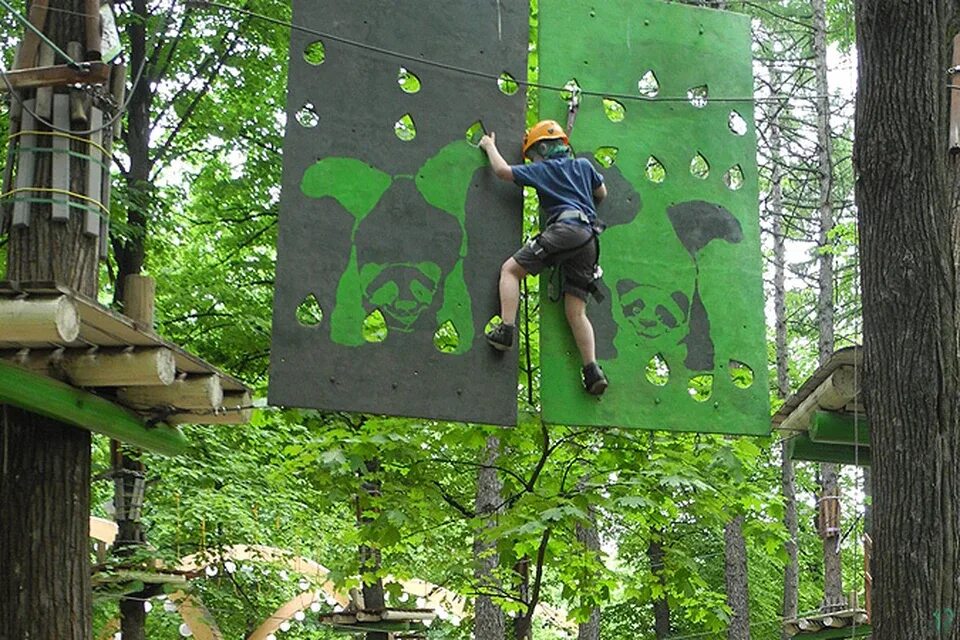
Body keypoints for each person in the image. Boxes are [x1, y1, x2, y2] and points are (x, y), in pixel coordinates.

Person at [478, 120, 609, 395]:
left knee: (511, 271)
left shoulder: (543, 169)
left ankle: (506, 330)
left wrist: (490, 146)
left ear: (541, 150)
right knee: (576, 311)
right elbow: (602, 194)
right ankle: (592, 369)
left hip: (564, 230)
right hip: (589, 238)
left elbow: (502, 171)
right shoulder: (584, 166)